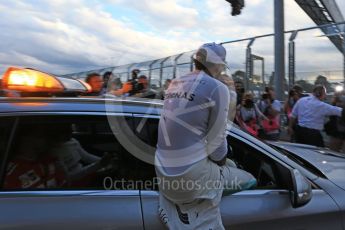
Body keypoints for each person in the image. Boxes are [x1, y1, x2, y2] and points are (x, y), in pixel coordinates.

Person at [155, 43, 256, 229]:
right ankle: (191, 208)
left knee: (229, 166)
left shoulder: (175, 83)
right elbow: (217, 145)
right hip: (190, 179)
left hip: (162, 172)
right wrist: (222, 160)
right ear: (216, 65)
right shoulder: (218, 88)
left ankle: (183, 204)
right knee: (249, 178)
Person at [48, 124, 113, 186]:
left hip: (84, 172)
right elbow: (68, 177)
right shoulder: (53, 152)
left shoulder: (73, 141)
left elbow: (86, 157)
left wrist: (105, 161)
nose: (70, 132)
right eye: (65, 131)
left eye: (70, 129)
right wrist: (99, 164)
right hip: (74, 182)